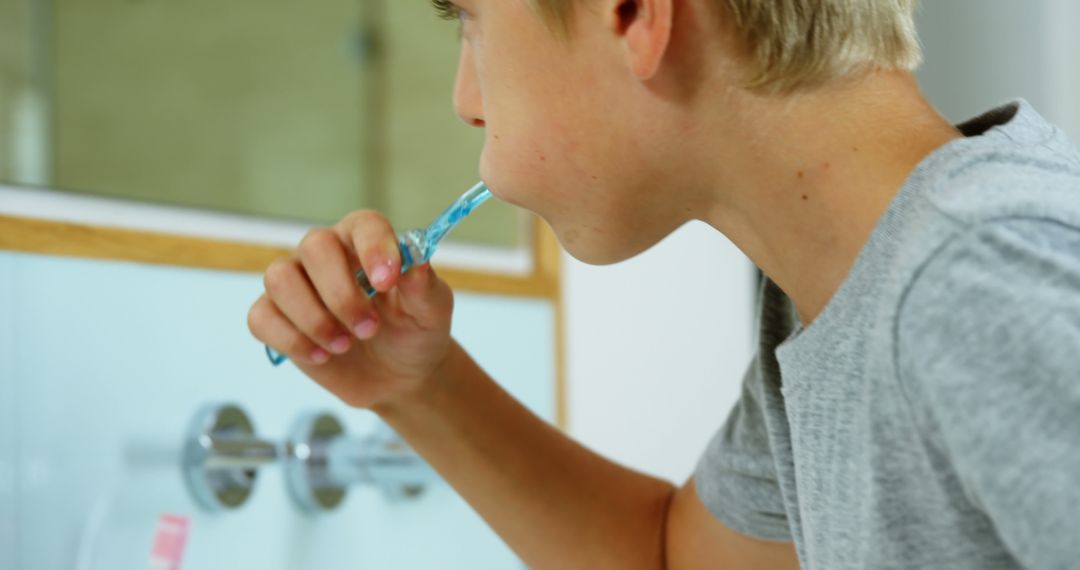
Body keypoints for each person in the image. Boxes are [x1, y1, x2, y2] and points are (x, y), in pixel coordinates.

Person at [247, 0, 1080, 567]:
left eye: (470, 21)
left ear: (634, 12)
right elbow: (669, 560)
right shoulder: (838, 302)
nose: (468, 101)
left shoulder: (975, 285)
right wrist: (417, 389)